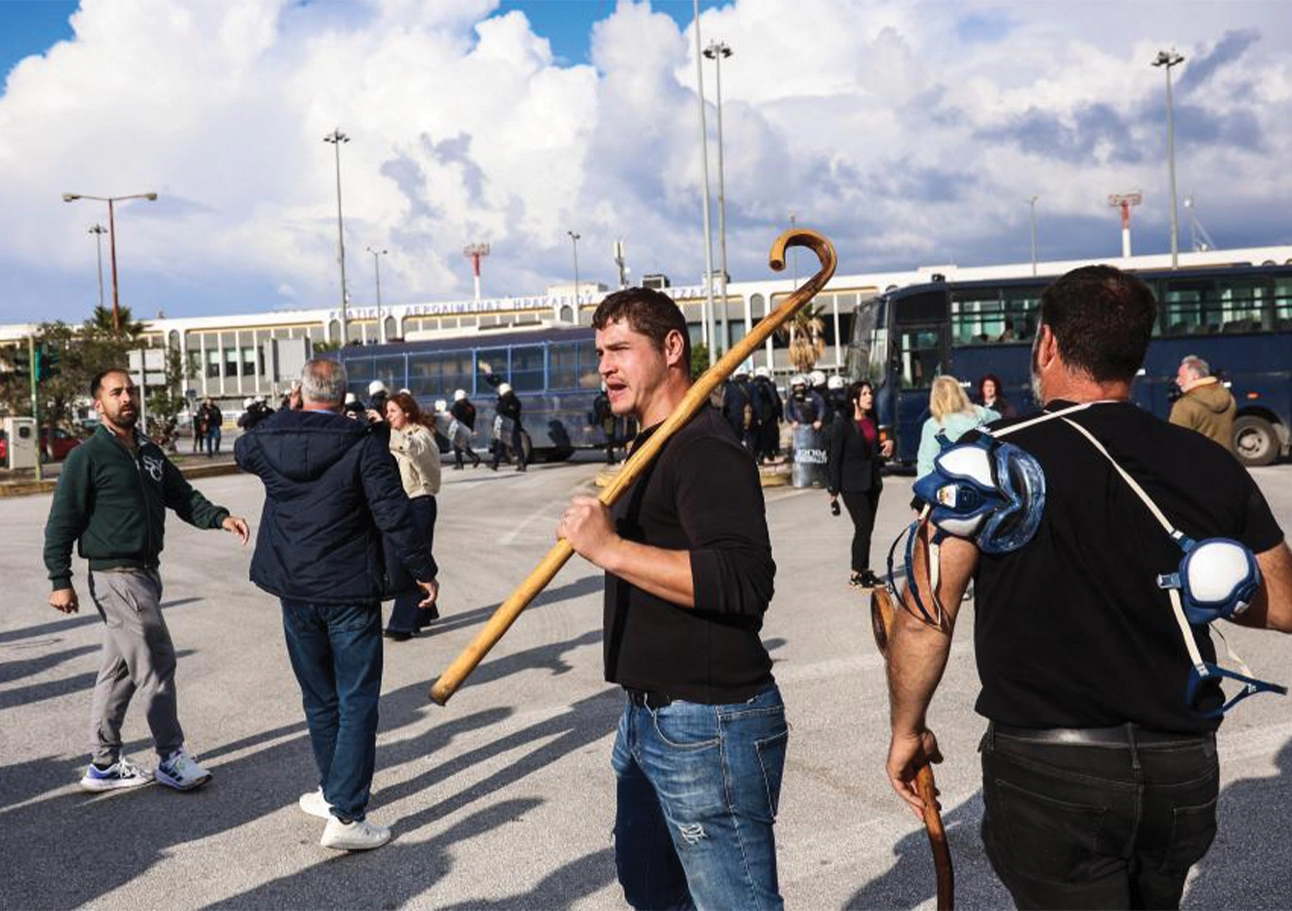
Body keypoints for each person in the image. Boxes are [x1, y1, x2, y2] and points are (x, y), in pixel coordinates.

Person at [883, 265, 1292, 910]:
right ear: (1137, 352)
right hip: (1180, 767)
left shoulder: (987, 461)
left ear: (1046, 343)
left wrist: (907, 728)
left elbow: (925, 617)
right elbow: (1282, 605)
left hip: (1052, 772)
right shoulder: (1205, 461)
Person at [557, 287, 786, 910]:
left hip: (709, 723)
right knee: (653, 891)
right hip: (648, 718)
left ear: (672, 348)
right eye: (600, 351)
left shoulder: (704, 447)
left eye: (621, 349)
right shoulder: (649, 445)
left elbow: (744, 581)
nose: (605, 365)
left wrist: (609, 548)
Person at [234, 359, 437, 852]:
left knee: (320, 697)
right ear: (345, 396)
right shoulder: (363, 445)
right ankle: (346, 813)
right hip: (348, 589)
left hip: (295, 588)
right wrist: (423, 571)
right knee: (357, 699)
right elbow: (393, 516)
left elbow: (243, 447)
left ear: (300, 394)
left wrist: (285, 413)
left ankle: (333, 792)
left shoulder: (268, 439)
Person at [43, 369, 250, 793]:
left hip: (145, 573)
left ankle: (103, 763)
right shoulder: (87, 456)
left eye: (131, 391)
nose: (127, 398)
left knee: (119, 670)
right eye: (116, 392)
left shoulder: (150, 452)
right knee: (157, 661)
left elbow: (183, 496)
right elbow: (62, 522)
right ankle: (171, 757)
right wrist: (59, 579)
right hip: (115, 575)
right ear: (98, 404)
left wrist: (220, 517)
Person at [383, 392, 442, 639]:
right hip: (401, 504)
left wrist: (390, 434)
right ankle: (425, 610)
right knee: (406, 561)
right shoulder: (394, 437)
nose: (388, 416)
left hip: (419, 502)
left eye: (393, 411)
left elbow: (415, 451)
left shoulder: (421, 435)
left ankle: (402, 623)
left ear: (407, 412)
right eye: (386, 412)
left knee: (408, 562)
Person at [827, 381, 894, 588]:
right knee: (862, 527)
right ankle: (856, 573)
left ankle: (864, 570)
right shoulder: (843, 425)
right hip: (852, 484)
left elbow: (872, 453)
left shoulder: (872, 420)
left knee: (868, 529)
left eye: (870, 393)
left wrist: (887, 448)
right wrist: (833, 489)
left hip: (872, 481)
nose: (869, 397)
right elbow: (835, 458)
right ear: (855, 399)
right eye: (864, 394)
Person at [915, 376, 999, 479]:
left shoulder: (933, 425)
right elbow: (999, 418)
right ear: (959, 394)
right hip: (984, 478)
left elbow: (926, 466)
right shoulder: (979, 413)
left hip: (953, 484)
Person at [1169, 354, 1236, 453]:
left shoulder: (1184, 405)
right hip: (1226, 463)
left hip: (1197, 465)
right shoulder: (1230, 398)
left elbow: (1175, 442)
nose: (1178, 380)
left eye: (1181, 376)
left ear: (1195, 377)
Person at [490, 381, 527, 472]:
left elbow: (499, 412)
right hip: (515, 425)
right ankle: (521, 464)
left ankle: (495, 464)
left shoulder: (502, 402)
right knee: (517, 445)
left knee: (501, 446)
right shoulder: (516, 401)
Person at [751, 366, 783, 464]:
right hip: (770, 417)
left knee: (757, 437)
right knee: (770, 436)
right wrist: (780, 415)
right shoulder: (770, 385)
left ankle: (758, 456)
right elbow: (776, 401)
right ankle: (770, 455)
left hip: (755, 416)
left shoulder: (752, 385)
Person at [720, 369, 755, 449]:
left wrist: (723, 416)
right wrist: (758, 416)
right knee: (749, 438)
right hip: (748, 417)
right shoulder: (751, 386)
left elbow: (726, 402)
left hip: (732, 417)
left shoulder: (729, 387)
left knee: (735, 439)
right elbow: (756, 402)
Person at [449, 389, 482, 469]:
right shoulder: (470, 407)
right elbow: (472, 417)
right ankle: (461, 462)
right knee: (461, 445)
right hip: (468, 427)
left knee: (458, 445)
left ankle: (469, 459)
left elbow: (454, 415)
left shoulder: (457, 406)